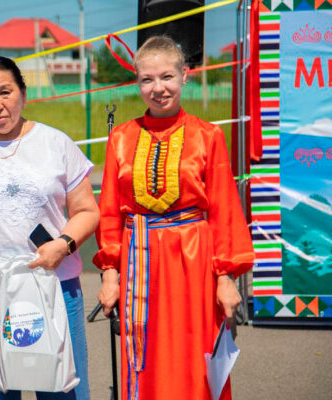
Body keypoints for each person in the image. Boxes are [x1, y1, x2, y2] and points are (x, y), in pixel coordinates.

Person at [94, 36, 254, 400]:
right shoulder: (121, 138)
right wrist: (110, 275)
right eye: (147, 79)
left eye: (167, 76)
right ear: (137, 83)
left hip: (194, 263)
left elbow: (224, 210)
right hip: (138, 264)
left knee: (195, 358)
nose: (158, 88)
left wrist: (226, 278)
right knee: (145, 358)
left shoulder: (208, 135)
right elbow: (109, 212)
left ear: (185, 76)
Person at [0, 56, 100, 400]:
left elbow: (87, 211)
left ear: (23, 94)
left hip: (54, 287)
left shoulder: (56, 143)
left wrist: (63, 244)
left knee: (62, 390)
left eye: (5, 92)